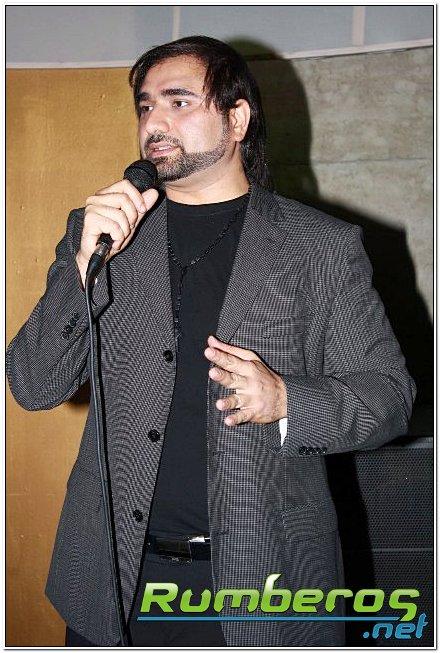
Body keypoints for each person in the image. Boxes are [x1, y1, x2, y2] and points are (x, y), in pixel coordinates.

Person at [6, 35, 416, 648]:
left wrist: (287, 401)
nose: (155, 123)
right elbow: (34, 385)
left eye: (178, 102)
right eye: (146, 106)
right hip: (113, 587)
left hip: (265, 589)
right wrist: (80, 271)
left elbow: (389, 398)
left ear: (237, 118)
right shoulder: (103, 235)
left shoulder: (319, 247)